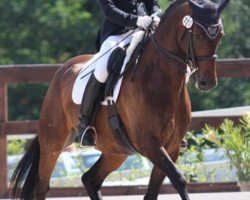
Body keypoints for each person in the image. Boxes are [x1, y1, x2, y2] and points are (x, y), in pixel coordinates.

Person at [78, 0, 161, 147]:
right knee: (103, 70)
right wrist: (135, 20)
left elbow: (152, 2)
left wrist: (155, 14)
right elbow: (109, 10)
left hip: (146, 30)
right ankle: (85, 124)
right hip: (117, 33)